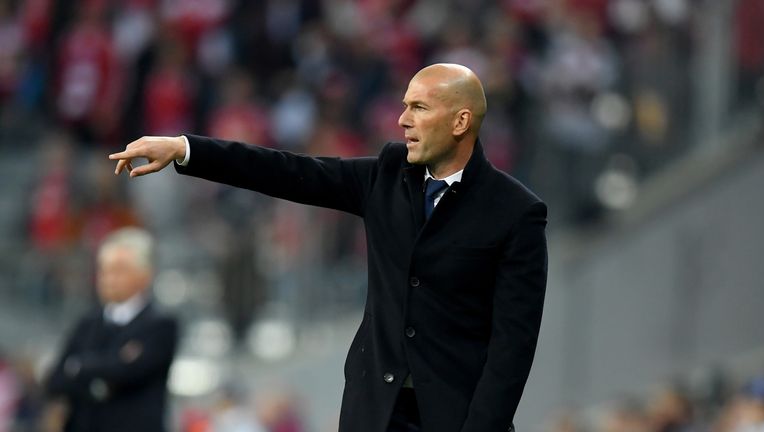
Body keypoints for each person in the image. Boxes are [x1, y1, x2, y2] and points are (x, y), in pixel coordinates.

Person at [109, 63, 548, 432]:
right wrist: (187, 149)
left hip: (455, 418)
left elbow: (513, 347)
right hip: (374, 412)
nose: (402, 119)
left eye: (419, 107)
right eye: (404, 106)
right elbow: (288, 171)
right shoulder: (387, 175)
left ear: (460, 121)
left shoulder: (515, 213)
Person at [44, 227, 179, 432]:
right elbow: (55, 381)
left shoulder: (160, 325)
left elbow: (129, 373)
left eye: (119, 269)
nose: (108, 278)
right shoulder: (86, 324)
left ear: (145, 276)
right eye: (103, 269)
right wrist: (111, 366)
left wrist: (79, 367)